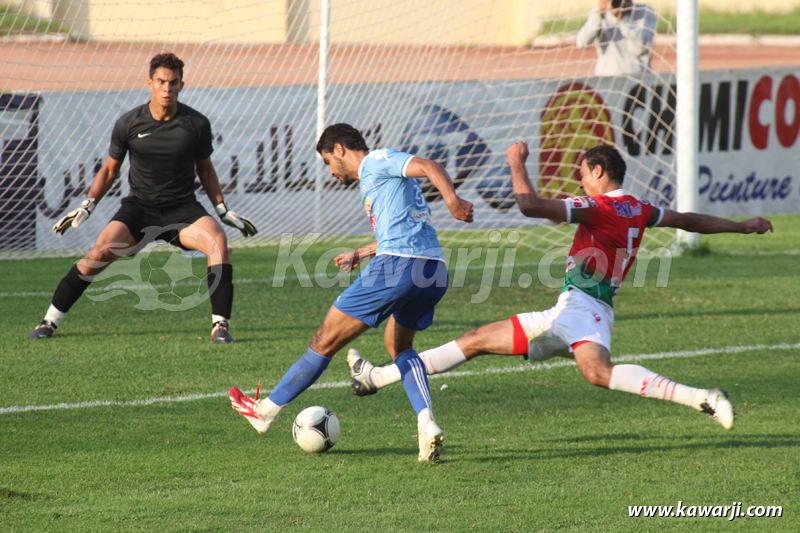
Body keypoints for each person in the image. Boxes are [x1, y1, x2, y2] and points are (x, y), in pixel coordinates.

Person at [345, 142, 773, 432]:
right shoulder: (639, 208)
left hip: (576, 309)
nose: (580, 182)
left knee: (484, 343)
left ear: (599, 171)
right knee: (582, 368)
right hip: (595, 310)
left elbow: (530, 205)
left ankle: (377, 376)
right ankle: (704, 397)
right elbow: (689, 220)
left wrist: (516, 162)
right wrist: (743, 226)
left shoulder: (598, 206)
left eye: (583, 174)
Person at [229, 123, 473, 461]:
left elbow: (430, 165)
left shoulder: (377, 161)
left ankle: (265, 411)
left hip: (398, 268)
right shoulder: (380, 180)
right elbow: (403, 228)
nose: (330, 171)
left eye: (328, 161)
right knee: (399, 346)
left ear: (340, 149)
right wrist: (362, 253)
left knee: (324, 339)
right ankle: (426, 422)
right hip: (432, 270)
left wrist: (453, 200)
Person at [28, 53, 257, 344]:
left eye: (173, 83)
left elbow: (206, 169)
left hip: (182, 209)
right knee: (98, 254)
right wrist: (88, 204)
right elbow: (110, 170)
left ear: (181, 84)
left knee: (219, 243)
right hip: (140, 209)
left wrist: (222, 210)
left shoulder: (196, 124)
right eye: (161, 81)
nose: (167, 89)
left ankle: (220, 327)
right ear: (149, 82)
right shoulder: (129, 123)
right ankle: (49, 321)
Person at [576, 0, 657, 77]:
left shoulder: (644, 11)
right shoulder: (599, 14)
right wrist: (599, 15)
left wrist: (622, 18)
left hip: (637, 77)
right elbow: (582, 44)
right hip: (606, 77)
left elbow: (639, 49)